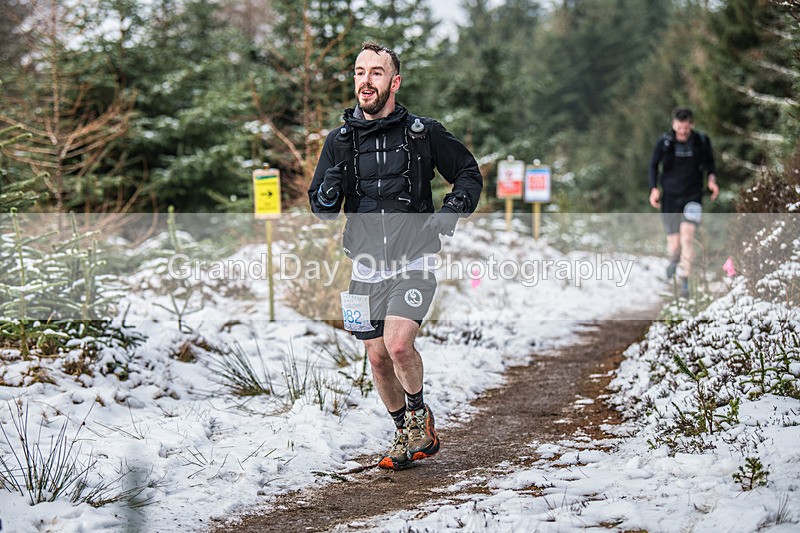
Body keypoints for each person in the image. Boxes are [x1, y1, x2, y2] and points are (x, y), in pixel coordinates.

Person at [308, 42, 483, 470]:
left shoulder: (423, 133)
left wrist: (450, 212)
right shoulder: (340, 141)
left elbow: (468, 174)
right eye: (359, 72)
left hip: (414, 261)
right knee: (376, 356)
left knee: (399, 345)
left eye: (376, 73)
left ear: (394, 82)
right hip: (365, 267)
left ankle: (420, 418)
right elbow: (320, 208)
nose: (365, 81)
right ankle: (403, 430)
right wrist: (330, 188)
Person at [648, 106, 719, 298]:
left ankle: (685, 281)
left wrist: (712, 181)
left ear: (691, 125)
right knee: (675, 244)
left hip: (693, 195)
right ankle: (674, 259)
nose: (683, 131)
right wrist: (654, 188)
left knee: (688, 237)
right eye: (679, 128)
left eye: (686, 128)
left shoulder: (701, 141)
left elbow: (710, 164)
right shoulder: (664, 142)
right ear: (674, 125)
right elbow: (654, 165)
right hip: (670, 197)